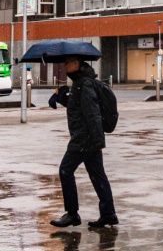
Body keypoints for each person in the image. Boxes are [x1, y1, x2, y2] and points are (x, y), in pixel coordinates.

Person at [48, 57, 117, 229]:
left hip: (84, 139)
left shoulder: (84, 85)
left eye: (69, 62)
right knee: (97, 175)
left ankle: (72, 214)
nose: (65, 66)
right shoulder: (81, 83)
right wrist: (61, 95)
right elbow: (77, 106)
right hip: (89, 139)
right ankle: (108, 214)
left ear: (77, 64)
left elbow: (92, 113)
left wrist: (96, 140)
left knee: (65, 170)